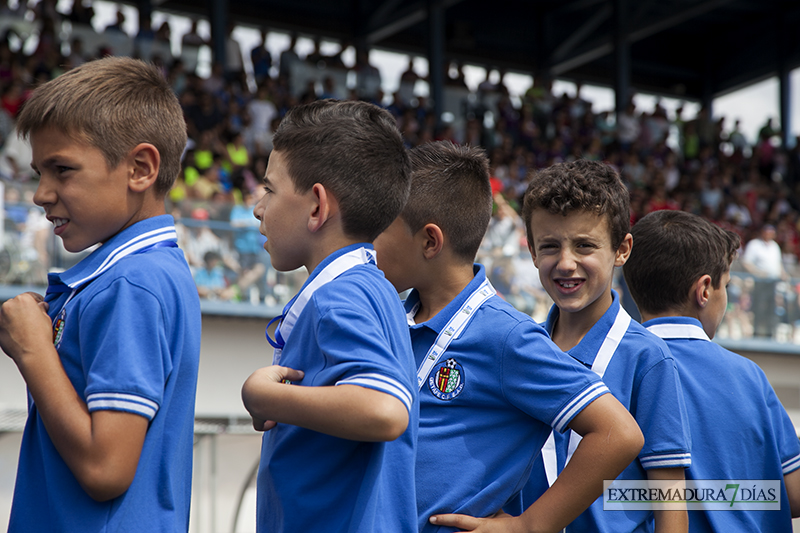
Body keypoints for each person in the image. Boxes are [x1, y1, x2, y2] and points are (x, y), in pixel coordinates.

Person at [373, 141, 643, 532]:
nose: (368, 242)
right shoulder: (391, 322)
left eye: (380, 228)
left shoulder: (506, 337)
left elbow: (619, 433)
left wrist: (530, 525)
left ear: (430, 241)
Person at [0, 57, 200, 532]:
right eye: (38, 173)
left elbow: (105, 468)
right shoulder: (142, 275)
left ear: (140, 168)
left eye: (62, 170)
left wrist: (32, 351)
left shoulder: (131, 285)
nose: (41, 194)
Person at [240, 99, 418, 533]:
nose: (258, 208)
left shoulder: (339, 298)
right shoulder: (371, 289)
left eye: (270, 190)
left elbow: (384, 410)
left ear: (317, 207)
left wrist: (264, 396)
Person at [519, 159, 692, 532]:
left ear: (622, 249)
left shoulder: (647, 358)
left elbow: (670, 495)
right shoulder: (522, 347)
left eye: (584, 246)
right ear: (532, 251)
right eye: (550, 246)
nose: (566, 263)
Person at [623, 209, 800, 531]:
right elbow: (794, 492)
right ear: (704, 290)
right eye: (727, 286)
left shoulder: (613, 371)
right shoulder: (748, 376)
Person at [742, 223, 787, 338]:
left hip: (772, 283)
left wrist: (783, 274)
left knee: (771, 308)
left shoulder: (774, 246)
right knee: (759, 307)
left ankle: (770, 333)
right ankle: (756, 333)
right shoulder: (754, 245)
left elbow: (778, 264)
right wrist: (758, 273)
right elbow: (746, 262)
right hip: (760, 282)